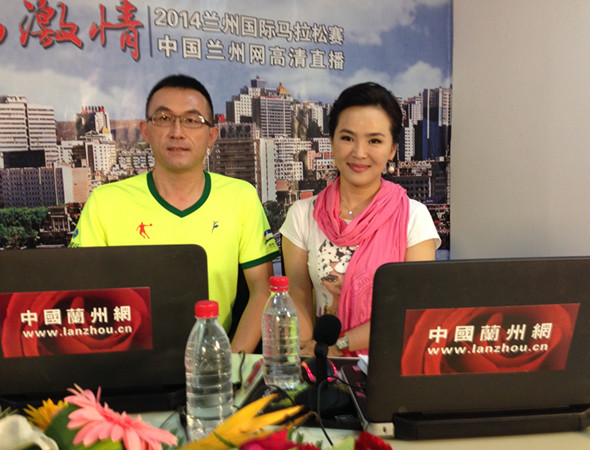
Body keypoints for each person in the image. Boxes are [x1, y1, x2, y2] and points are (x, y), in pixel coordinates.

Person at [70, 74, 279, 353]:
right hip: (128, 361)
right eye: (164, 118)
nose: (177, 132)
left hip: (215, 358)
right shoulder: (105, 203)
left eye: (192, 120)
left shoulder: (240, 197)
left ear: (211, 136)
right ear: (146, 131)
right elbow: (79, 298)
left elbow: (262, 290)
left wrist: (229, 365)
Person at [280, 82, 441, 356]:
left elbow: (410, 306)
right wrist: (311, 354)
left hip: (391, 361)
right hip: (323, 362)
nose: (359, 152)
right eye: (347, 138)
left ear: (392, 149)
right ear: (332, 142)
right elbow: (299, 298)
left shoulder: (414, 217)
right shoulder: (302, 215)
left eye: (374, 141)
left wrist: (340, 346)